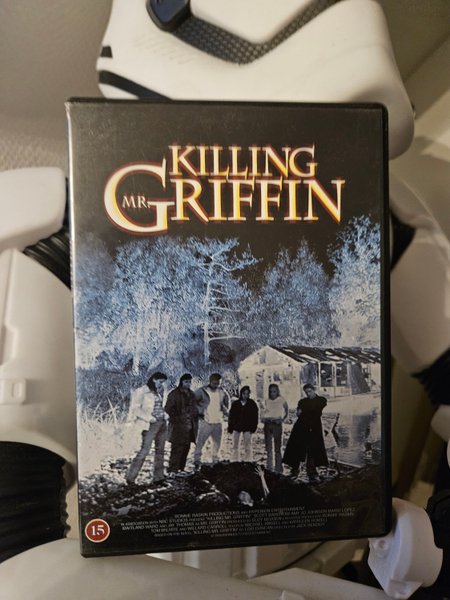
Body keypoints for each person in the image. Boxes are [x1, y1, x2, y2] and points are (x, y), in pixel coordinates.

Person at [126, 372, 168, 485]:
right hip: (149, 425)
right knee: (144, 450)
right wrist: (149, 418)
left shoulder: (159, 391)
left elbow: (159, 406)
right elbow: (135, 409)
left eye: (163, 382)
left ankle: (158, 478)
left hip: (162, 423)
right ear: (154, 379)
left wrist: (165, 414)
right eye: (160, 382)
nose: (161, 384)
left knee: (160, 451)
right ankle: (130, 478)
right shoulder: (141, 391)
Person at [282, 383, 328, 482]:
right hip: (301, 427)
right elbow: (299, 413)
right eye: (306, 392)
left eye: (310, 391)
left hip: (314, 428)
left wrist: (304, 411)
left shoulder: (321, 400)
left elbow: (316, 411)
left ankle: (312, 472)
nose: (308, 394)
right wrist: (301, 412)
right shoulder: (303, 401)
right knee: (297, 448)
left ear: (314, 390)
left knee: (312, 449)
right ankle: (295, 471)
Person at [164, 373, 199, 473]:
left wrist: (195, 417)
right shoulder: (174, 394)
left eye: (189, 382)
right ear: (181, 382)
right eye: (186, 382)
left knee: (186, 449)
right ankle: (172, 470)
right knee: (176, 449)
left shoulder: (192, 394)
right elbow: (168, 409)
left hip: (189, 427)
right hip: (178, 427)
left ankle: (181, 469)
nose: (188, 384)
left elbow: (195, 409)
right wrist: (178, 418)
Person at [194, 373, 230, 468]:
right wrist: (200, 411)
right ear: (210, 381)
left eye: (218, 383)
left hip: (218, 421)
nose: (217, 385)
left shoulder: (222, 391)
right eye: (215, 383)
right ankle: (197, 460)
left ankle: (215, 459)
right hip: (206, 421)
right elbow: (192, 401)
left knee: (217, 443)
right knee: (201, 442)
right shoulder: (202, 391)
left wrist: (225, 411)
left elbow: (227, 402)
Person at [261, 383, 289, 473]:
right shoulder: (267, 400)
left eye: (274, 391)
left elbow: (286, 410)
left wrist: (282, 419)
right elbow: (264, 411)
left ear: (277, 391)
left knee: (278, 448)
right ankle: (269, 468)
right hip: (268, 423)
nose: (272, 393)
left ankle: (279, 469)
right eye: (271, 391)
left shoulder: (281, 399)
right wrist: (263, 418)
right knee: (269, 448)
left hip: (277, 424)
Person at [228, 386, 259, 462]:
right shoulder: (236, 404)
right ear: (241, 393)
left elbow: (255, 416)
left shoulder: (252, 404)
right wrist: (230, 426)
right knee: (235, 445)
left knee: (247, 445)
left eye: (247, 394)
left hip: (247, 427)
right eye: (244, 393)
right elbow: (231, 416)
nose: (245, 395)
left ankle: (248, 460)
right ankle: (235, 460)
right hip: (237, 426)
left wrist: (254, 427)